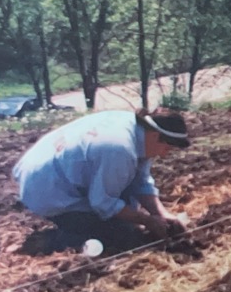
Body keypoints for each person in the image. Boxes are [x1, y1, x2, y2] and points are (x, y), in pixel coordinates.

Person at [13, 108, 191, 252]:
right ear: (154, 136)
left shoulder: (139, 130)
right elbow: (102, 202)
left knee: (127, 218)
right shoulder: (119, 149)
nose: (163, 154)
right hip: (46, 187)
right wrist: (147, 220)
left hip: (52, 166)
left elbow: (141, 180)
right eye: (166, 148)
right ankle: (50, 241)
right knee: (119, 237)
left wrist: (161, 214)